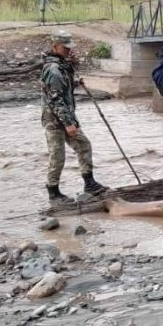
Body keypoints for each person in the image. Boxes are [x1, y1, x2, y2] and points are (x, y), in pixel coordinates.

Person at [40, 31, 108, 205]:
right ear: (55, 47)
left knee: (84, 145)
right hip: (55, 121)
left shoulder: (61, 65)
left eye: (69, 48)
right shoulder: (54, 69)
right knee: (57, 156)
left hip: (67, 116)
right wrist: (68, 123)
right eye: (65, 48)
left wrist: (76, 83)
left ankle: (89, 183)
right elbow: (56, 99)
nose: (68, 51)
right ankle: (53, 192)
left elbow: (61, 89)